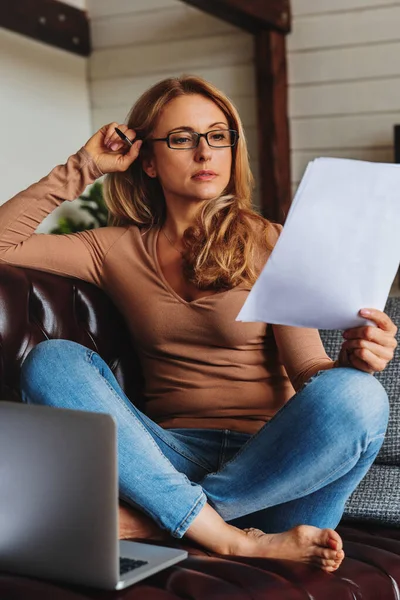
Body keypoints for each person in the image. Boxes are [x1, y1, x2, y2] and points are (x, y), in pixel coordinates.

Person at [0, 75, 397, 574]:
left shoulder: (273, 242)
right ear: (147, 159)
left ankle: (165, 522)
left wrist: (350, 364)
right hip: (168, 459)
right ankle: (230, 539)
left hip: (277, 471)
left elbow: (308, 370)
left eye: (217, 135)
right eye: (183, 139)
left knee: (361, 396)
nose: (204, 152)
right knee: (51, 360)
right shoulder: (112, 249)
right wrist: (83, 167)